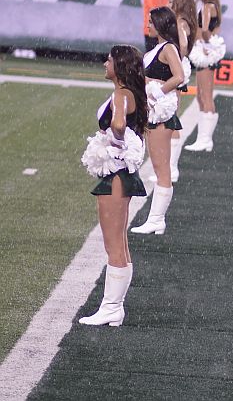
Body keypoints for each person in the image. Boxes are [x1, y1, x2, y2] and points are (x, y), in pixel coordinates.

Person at [78, 45, 148, 326]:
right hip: (121, 175)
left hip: (116, 175)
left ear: (118, 66)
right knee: (120, 242)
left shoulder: (121, 94)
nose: (104, 64)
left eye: (108, 60)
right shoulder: (129, 93)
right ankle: (113, 307)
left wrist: (114, 144)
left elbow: (118, 125)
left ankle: (111, 307)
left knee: (114, 244)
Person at [130, 7, 184, 236]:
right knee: (159, 167)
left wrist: (157, 93)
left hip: (160, 114)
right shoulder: (158, 47)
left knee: (162, 170)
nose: (148, 26)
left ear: (161, 24)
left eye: (151, 22)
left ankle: (157, 220)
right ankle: (155, 220)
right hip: (153, 112)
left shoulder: (169, 48)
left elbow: (179, 77)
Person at [185, 0, 224, 153]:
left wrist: (207, 45)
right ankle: (203, 138)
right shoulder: (210, 6)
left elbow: (207, 30)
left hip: (205, 54)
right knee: (201, 96)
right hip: (203, 52)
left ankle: (206, 139)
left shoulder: (208, 7)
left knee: (205, 96)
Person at [167, 0, 197, 182]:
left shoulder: (180, 22)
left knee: (171, 119)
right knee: (169, 118)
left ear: (179, 3)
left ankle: (172, 168)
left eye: (171, 2)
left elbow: (183, 46)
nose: (168, 4)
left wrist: (176, 56)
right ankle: (169, 167)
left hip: (176, 68)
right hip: (176, 67)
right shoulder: (180, 21)